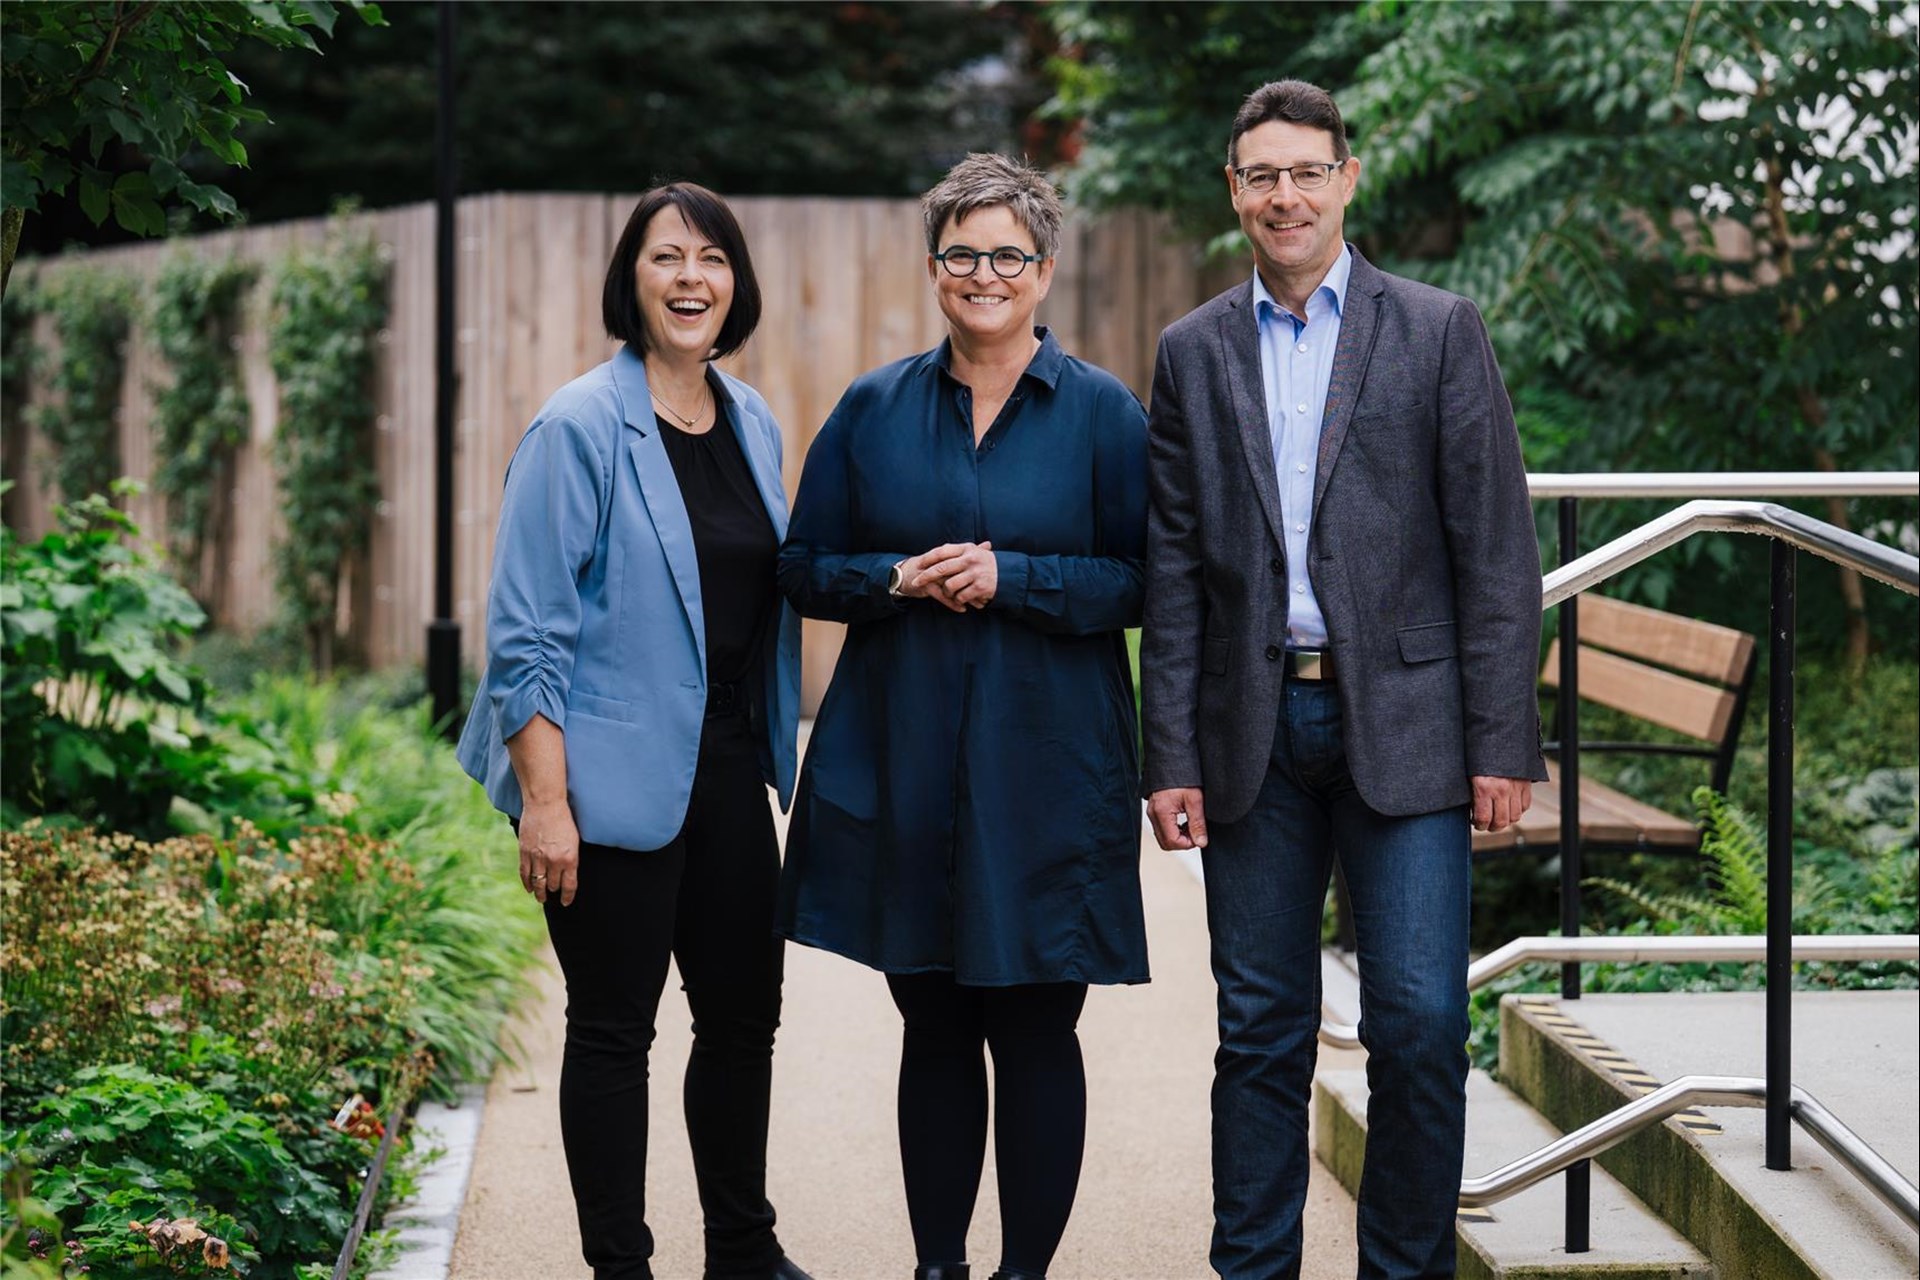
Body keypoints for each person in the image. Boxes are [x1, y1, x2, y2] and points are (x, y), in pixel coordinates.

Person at [1140, 80, 1547, 1280]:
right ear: (1234, 191)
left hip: (1412, 727)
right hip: (1250, 733)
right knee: (1258, 1032)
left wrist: (1501, 738)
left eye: (1306, 171)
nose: (1285, 195)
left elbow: (1496, 550)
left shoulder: (1437, 328)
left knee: (1418, 1025)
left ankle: (1404, 1269)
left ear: (1347, 180)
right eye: (1261, 174)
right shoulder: (1192, 350)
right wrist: (1169, 753)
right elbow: (1171, 570)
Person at [776, 153, 1149, 1280]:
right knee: (933, 1026)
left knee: (1038, 1031)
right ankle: (939, 1267)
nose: (983, 274)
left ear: (1044, 269)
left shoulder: (1103, 414)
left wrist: (1018, 578)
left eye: (1007, 255)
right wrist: (896, 577)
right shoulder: (872, 407)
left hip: (1052, 771)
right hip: (907, 762)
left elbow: (1145, 579)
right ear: (935, 266)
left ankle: (1023, 1274)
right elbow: (802, 568)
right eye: (962, 253)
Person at [456, 183, 811, 1280]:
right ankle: (621, 1264)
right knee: (616, 1029)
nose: (692, 277)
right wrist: (547, 803)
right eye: (667, 257)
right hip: (602, 781)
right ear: (633, 280)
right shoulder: (577, 425)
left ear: (736, 283)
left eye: (712, 258)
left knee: (745, 1014)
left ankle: (742, 1249)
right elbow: (524, 636)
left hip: (729, 761)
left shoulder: (752, 419)